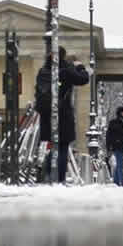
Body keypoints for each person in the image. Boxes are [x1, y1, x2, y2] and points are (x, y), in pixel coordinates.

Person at [35, 46, 90, 184]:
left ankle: (47, 175)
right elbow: (83, 79)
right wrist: (79, 66)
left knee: (52, 147)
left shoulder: (43, 72)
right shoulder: (65, 71)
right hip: (63, 115)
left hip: (47, 116)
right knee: (63, 147)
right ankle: (59, 179)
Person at [105, 106, 123, 187]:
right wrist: (109, 147)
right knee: (120, 164)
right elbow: (109, 136)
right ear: (119, 113)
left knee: (120, 163)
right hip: (117, 145)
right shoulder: (114, 123)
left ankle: (116, 181)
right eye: (122, 112)